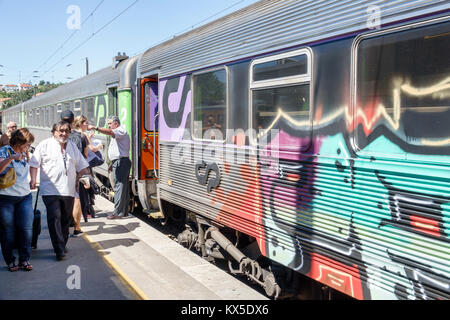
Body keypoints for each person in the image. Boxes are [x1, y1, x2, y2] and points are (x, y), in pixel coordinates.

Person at [29, 121, 89, 261]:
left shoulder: (72, 146)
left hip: (68, 190)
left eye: (66, 131)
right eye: (60, 131)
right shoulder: (44, 145)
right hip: (50, 189)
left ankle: (61, 243)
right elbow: (33, 164)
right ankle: (59, 249)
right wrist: (33, 179)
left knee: (66, 219)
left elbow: (82, 167)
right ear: (53, 132)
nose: (63, 133)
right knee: (54, 217)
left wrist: (82, 178)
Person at [0, 128, 35, 271]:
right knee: (7, 231)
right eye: (27, 144)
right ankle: (10, 260)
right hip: (5, 198)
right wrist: (11, 158)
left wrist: (33, 179)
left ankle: (24, 259)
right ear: (19, 142)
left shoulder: (26, 153)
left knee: (26, 229)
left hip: (24, 196)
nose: (28, 147)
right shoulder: (4, 151)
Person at [88, 115, 130, 219]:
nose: (109, 126)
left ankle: (117, 213)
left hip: (121, 162)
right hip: (119, 162)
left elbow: (110, 132)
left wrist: (96, 128)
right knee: (122, 187)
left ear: (116, 123)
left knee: (119, 187)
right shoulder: (118, 132)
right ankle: (123, 212)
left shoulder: (120, 130)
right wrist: (112, 163)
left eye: (110, 124)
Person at [61, 111, 88, 237]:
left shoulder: (58, 134)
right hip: (76, 171)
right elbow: (84, 157)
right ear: (73, 122)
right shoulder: (79, 136)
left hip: (61, 172)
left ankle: (67, 224)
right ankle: (77, 228)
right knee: (76, 198)